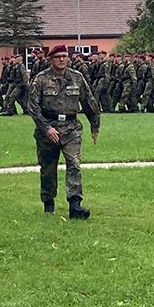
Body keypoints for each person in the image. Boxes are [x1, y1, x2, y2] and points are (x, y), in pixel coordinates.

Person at [27, 44, 101, 219]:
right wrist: (46, 128)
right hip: (49, 127)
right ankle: (48, 203)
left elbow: (89, 101)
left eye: (64, 56)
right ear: (51, 59)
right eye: (57, 57)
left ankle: (75, 205)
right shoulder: (41, 79)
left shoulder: (76, 77)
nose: (61, 59)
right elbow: (33, 107)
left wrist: (94, 125)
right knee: (48, 169)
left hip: (71, 128)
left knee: (74, 164)